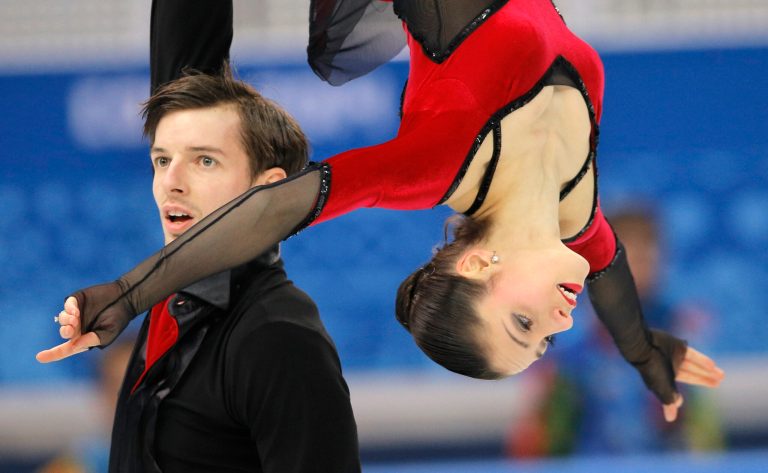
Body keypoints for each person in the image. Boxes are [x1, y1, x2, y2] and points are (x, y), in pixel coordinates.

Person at [39, 0, 723, 423]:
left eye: (522, 322)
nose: (559, 322)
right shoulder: (578, 216)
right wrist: (645, 353)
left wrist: (129, 293)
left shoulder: (437, 163)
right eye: (539, 340)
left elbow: (272, 211)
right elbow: (613, 280)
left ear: (482, 262)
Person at [40, 1, 361, 471]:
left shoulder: (278, 339)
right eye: (162, 160)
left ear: (268, 190)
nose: (172, 181)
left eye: (205, 160)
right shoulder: (169, 308)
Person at [504, 207, 725, 456]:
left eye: (647, 260)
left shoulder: (680, 341)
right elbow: (534, 437)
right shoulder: (564, 347)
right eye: (628, 260)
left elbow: (705, 438)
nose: (638, 273)